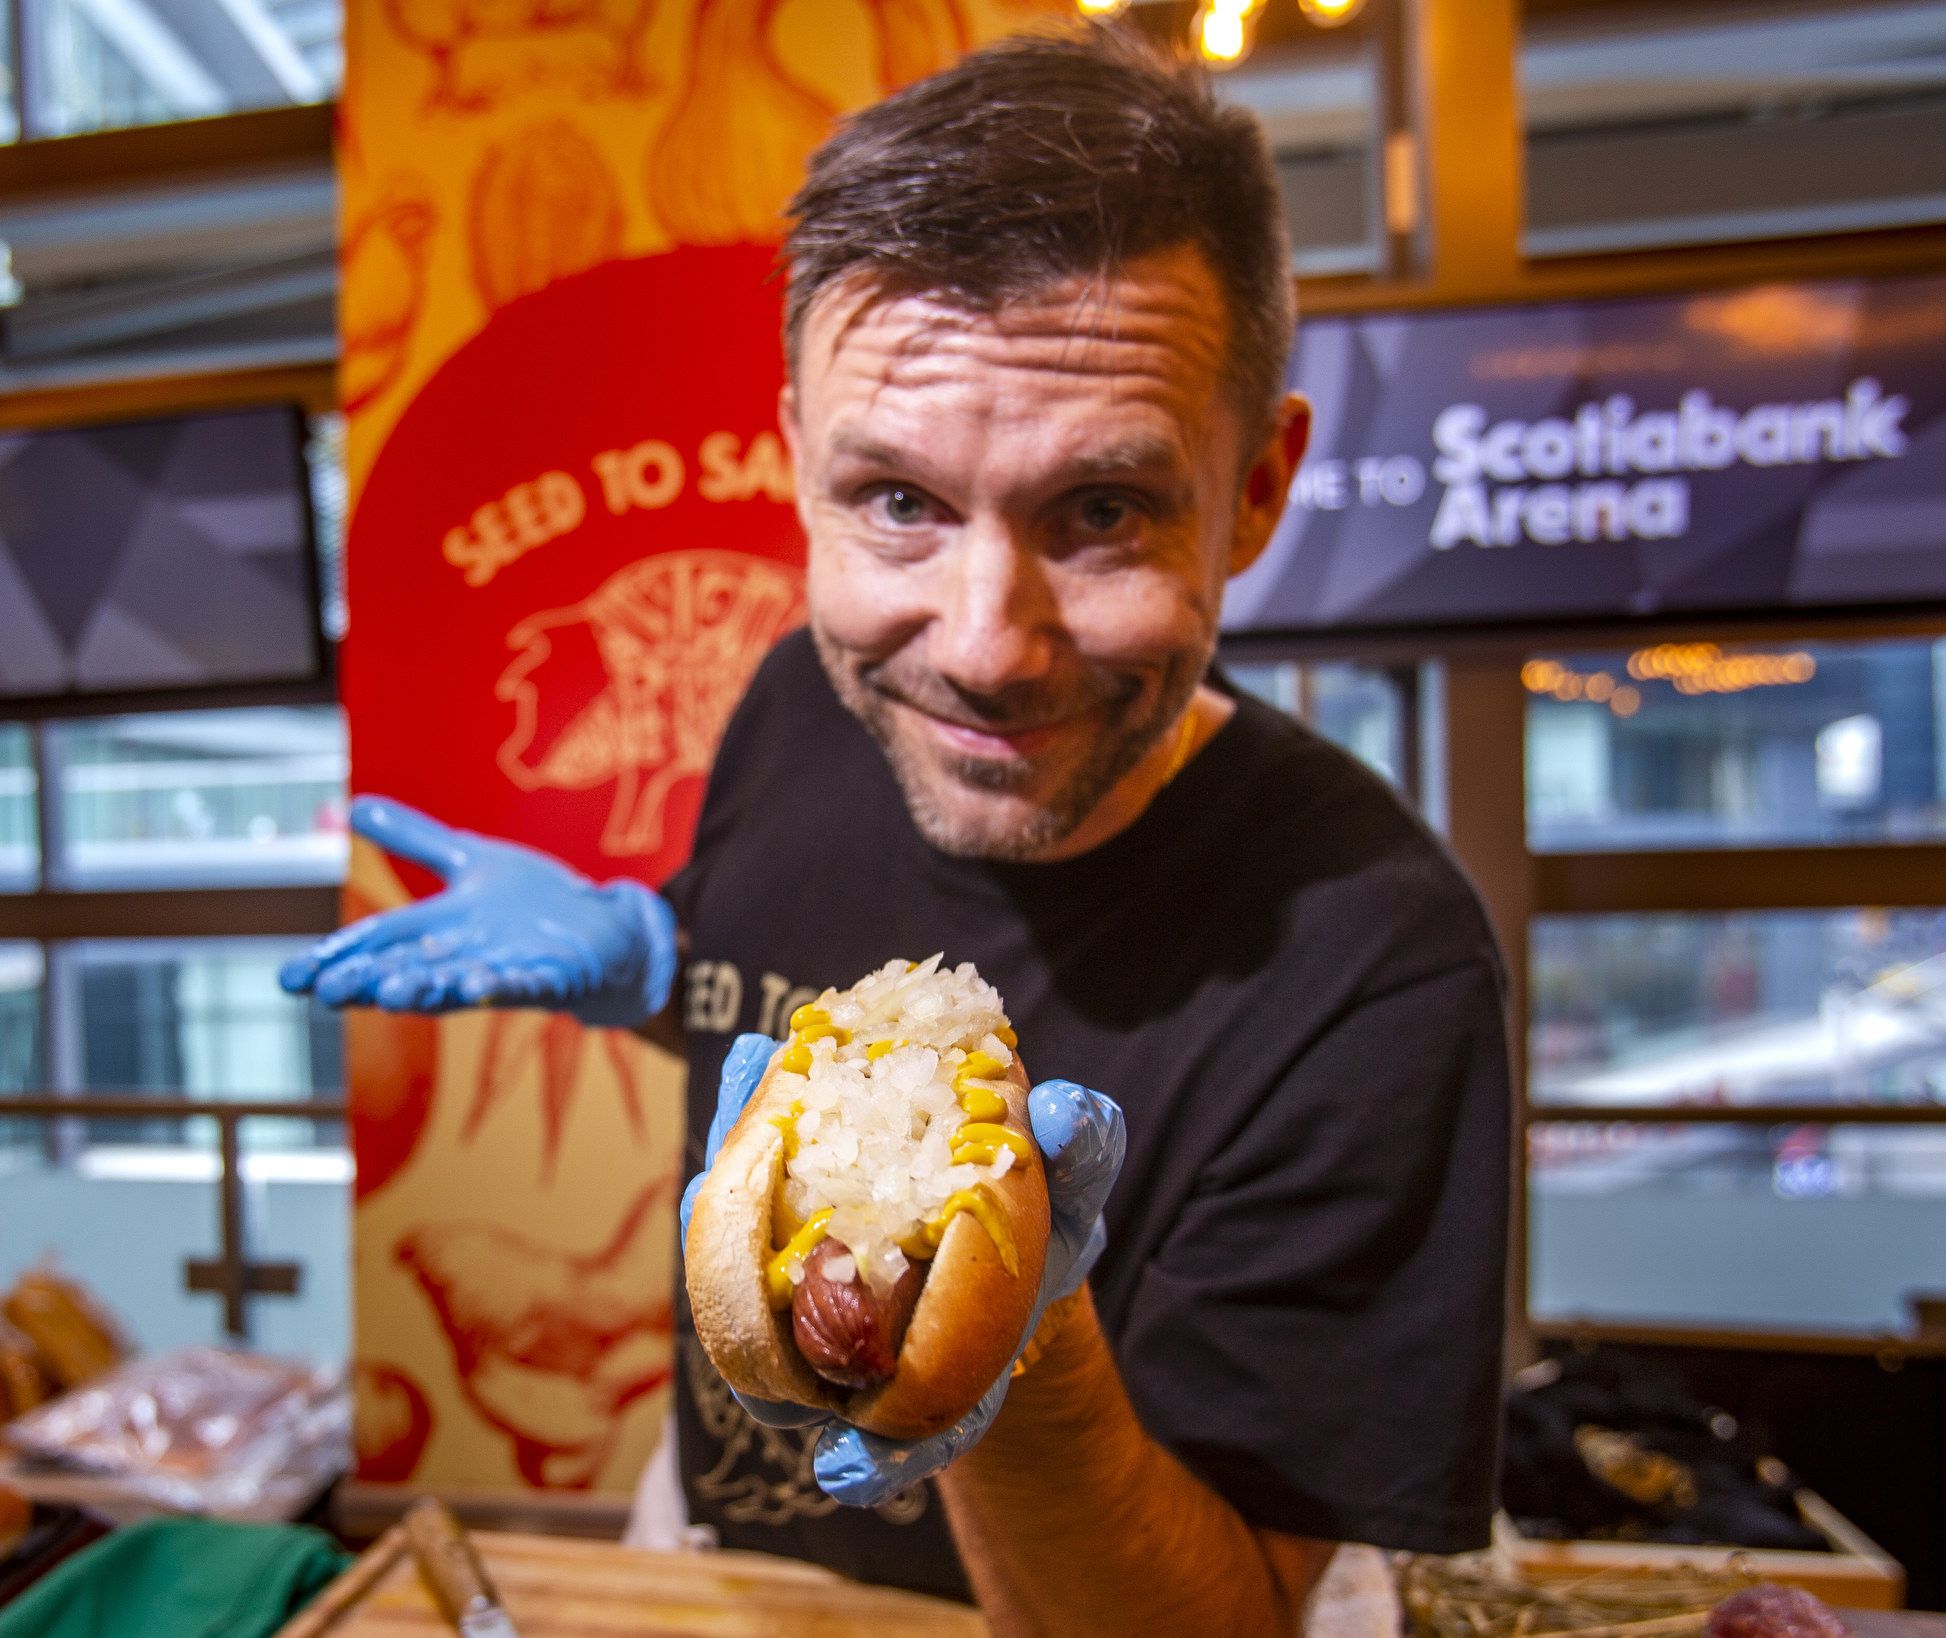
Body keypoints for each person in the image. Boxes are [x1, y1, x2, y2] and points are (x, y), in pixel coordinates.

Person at [282, 26, 1510, 1635]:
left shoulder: (1379, 966)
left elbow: (1221, 1619)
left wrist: (1016, 1353)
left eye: (1103, 512)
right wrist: (661, 960)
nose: (984, 645)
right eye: (900, 503)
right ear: (800, 459)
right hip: (714, 1541)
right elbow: (771, 990)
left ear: (1258, 488)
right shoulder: (809, 693)